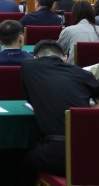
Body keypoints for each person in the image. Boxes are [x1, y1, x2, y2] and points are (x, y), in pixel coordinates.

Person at [20, 40, 99, 179]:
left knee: (20, 159)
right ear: (65, 58)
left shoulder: (28, 66)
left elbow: (31, 99)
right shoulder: (83, 74)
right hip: (91, 153)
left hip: (56, 153)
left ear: (35, 58)